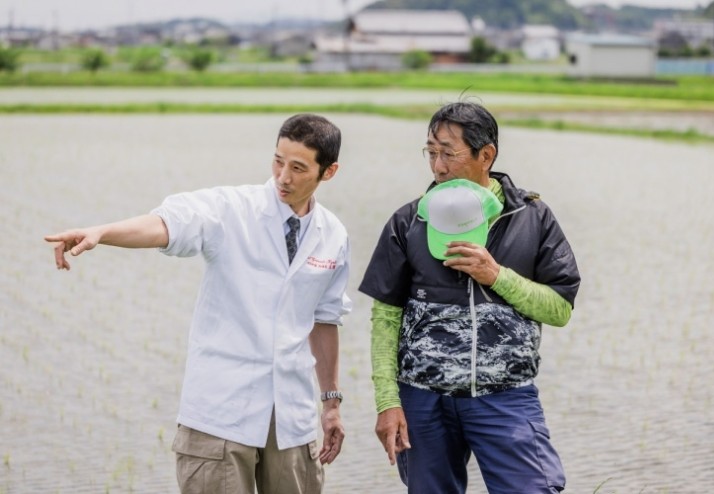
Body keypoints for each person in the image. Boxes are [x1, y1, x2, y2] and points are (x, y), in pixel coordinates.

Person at [45, 113, 352, 494]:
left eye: (297, 167)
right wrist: (102, 232)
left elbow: (324, 320)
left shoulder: (333, 234)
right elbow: (168, 225)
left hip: (291, 416)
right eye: (277, 161)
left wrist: (331, 402)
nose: (282, 177)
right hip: (220, 412)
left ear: (329, 171)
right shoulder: (229, 209)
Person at [359, 101, 580, 494]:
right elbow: (385, 319)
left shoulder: (530, 218)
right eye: (431, 152)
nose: (438, 166)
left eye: (449, 153)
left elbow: (559, 309)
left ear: (487, 155)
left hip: (506, 397)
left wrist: (496, 276)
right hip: (423, 401)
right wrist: (387, 402)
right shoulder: (408, 221)